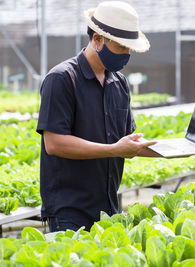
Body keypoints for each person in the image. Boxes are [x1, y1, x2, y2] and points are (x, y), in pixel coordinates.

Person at [36, 1, 160, 232]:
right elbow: (54, 143)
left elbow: (127, 142)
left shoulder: (119, 83)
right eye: (122, 47)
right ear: (97, 39)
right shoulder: (62, 79)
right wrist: (113, 150)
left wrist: (172, 151)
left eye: (129, 48)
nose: (127, 54)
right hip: (68, 213)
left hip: (108, 208)